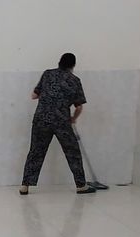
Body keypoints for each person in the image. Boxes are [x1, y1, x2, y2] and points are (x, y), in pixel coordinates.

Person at [19, 52, 95, 195]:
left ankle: (25, 185)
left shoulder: (47, 74)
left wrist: (48, 96)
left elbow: (34, 95)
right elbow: (79, 107)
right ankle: (81, 185)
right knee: (73, 152)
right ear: (73, 65)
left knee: (36, 152)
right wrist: (73, 118)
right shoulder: (75, 80)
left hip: (41, 119)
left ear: (59, 62)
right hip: (62, 121)